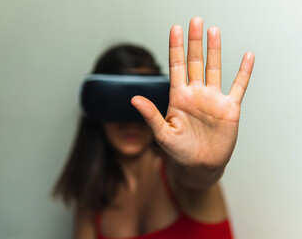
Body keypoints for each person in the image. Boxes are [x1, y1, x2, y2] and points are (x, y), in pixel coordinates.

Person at [53, 16, 255, 239]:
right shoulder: (92, 200)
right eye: (116, 105)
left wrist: (205, 168)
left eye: (143, 103)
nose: (130, 122)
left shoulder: (179, 175)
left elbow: (197, 177)